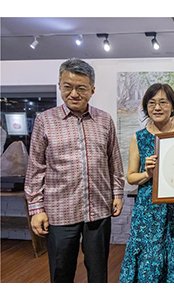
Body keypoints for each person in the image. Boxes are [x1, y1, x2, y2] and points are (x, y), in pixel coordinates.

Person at [25, 58, 125, 283]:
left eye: (81, 88)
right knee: (61, 273)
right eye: (68, 87)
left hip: (99, 210)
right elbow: (35, 169)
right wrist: (36, 209)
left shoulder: (105, 120)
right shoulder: (45, 121)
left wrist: (117, 194)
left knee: (99, 273)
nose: (74, 94)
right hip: (60, 212)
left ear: (92, 90)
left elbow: (114, 162)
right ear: (60, 86)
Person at [119, 83, 174, 283]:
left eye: (162, 102)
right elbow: (131, 177)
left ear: (172, 106)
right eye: (151, 103)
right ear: (146, 107)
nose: (157, 108)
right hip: (148, 210)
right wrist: (147, 174)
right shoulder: (139, 137)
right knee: (150, 257)